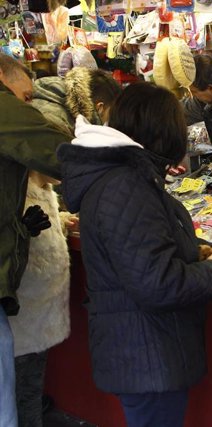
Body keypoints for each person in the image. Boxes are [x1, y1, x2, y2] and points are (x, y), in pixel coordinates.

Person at [57, 82, 212, 427]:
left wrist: (193, 251)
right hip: (146, 354)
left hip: (143, 350)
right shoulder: (125, 185)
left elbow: (140, 250)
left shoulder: (123, 177)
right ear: (164, 131)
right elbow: (157, 282)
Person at [0, 54, 70, 427]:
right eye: (25, 98)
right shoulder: (6, 115)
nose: (27, 106)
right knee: (11, 400)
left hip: (20, 301)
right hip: (17, 303)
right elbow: (62, 153)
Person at [9, 170, 77, 427]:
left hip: (40, 314)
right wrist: (21, 231)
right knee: (23, 390)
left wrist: (60, 220)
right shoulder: (16, 194)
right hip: (23, 316)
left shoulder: (42, 190)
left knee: (31, 384)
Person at [31, 67, 121, 136]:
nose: (111, 121)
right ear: (100, 108)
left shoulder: (47, 100)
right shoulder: (58, 125)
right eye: (111, 114)